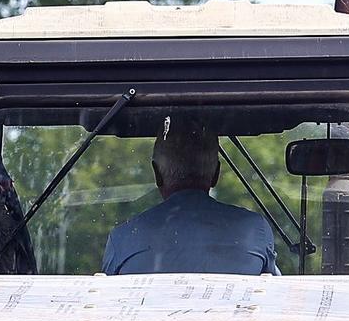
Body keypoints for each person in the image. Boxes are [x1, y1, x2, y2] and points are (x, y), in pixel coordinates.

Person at [102, 117, 280, 276]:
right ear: (216, 174)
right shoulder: (254, 229)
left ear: (157, 175)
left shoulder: (122, 237)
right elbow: (276, 297)